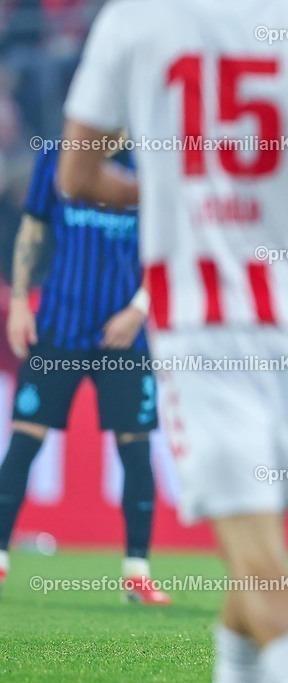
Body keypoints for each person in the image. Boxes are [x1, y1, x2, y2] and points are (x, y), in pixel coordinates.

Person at [56, 1, 288, 681]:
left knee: (263, 570)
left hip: (200, 321)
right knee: (260, 556)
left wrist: (173, 191)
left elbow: (77, 176)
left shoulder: (132, 20)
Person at [0, 141, 169, 605]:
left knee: (135, 452)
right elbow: (33, 227)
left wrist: (140, 308)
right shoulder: (55, 156)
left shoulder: (152, 159)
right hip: (59, 327)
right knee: (24, 441)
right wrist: (18, 303)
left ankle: (137, 571)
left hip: (123, 335)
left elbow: (169, 244)